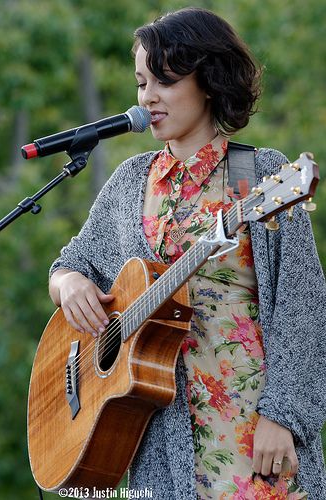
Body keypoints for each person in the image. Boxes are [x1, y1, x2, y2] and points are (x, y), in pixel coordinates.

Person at [48, 7, 326, 500]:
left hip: (252, 435)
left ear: (209, 81)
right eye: (140, 83)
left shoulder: (259, 174)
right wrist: (69, 283)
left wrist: (284, 417)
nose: (148, 96)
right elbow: (73, 262)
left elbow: (304, 309)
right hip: (156, 441)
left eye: (164, 80)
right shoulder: (129, 183)